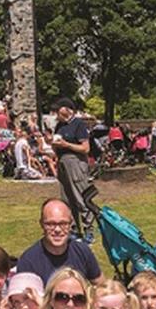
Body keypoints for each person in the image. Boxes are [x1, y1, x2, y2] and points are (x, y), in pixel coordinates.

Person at [16, 199, 104, 286]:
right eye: (50, 224)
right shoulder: (28, 262)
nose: (57, 229)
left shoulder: (82, 251)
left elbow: (102, 285)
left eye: (63, 223)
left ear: (70, 224)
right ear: (42, 224)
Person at [50, 98, 97, 241]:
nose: (55, 113)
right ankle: (74, 229)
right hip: (63, 162)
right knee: (67, 199)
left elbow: (85, 148)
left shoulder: (78, 124)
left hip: (76, 163)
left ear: (66, 109)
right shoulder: (59, 126)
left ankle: (89, 229)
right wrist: (54, 146)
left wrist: (66, 145)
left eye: (58, 109)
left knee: (80, 196)